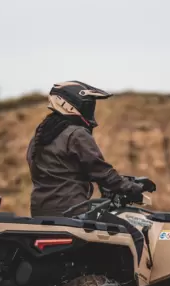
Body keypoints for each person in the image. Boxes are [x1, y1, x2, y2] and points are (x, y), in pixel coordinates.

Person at [26, 81, 147, 260]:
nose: (91, 110)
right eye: (88, 105)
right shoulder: (76, 134)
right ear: (69, 104)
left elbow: (58, 170)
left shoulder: (40, 136)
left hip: (40, 213)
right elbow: (102, 172)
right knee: (134, 235)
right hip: (73, 212)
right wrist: (132, 188)